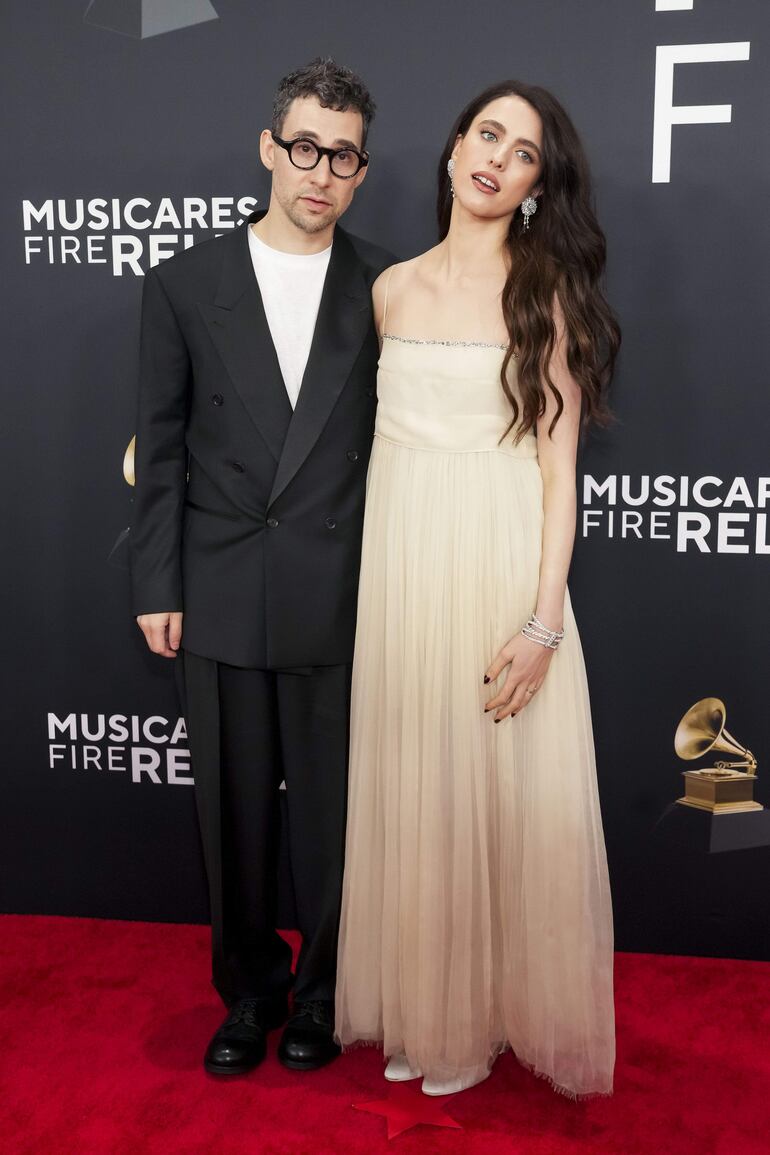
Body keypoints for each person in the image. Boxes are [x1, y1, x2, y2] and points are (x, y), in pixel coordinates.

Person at [335, 80, 619, 1099]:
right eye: (487, 133)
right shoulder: (389, 288)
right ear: (455, 146)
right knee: (414, 796)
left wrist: (542, 622)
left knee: (493, 803)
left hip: (497, 568)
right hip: (402, 566)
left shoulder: (539, 295)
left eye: (525, 152)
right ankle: (421, 1004)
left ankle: (479, 1020)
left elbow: (556, 474)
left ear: (538, 186)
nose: (497, 157)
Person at [129, 57, 393, 1076]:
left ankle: (323, 993)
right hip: (221, 581)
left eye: (341, 155)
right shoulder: (184, 283)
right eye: (302, 149)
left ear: (362, 170)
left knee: (332, 817)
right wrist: (158, 583)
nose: (318, 172)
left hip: (339, 588)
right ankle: (249, 993)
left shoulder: (384, 286)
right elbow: (157, 446)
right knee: (231, 814)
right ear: (267, 150)